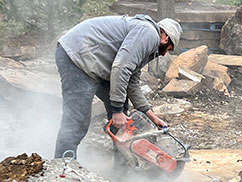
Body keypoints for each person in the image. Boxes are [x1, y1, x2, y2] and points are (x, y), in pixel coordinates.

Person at [54, 14, 182, 159]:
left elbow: (132, 83)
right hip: (77, 56)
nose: (165, 53)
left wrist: (152, 117)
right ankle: (62, 166)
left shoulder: (145, 39)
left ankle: (122, 166)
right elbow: (121, 67)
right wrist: (116, 109)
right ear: (165, 37)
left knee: (122, 114)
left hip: (93, 60)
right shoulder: (149, 33)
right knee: (78, 117)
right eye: (169, 48)